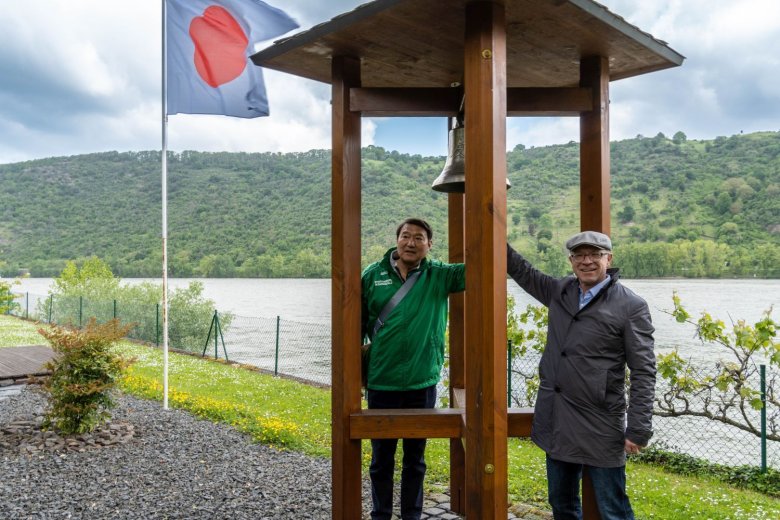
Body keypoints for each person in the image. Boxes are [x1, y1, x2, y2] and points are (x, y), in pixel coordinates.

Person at [506, 230, 655, 520]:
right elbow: (522, 271)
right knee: (561, 504)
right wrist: (493, 228)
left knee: (613, 509)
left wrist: (639, 428)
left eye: (594, 255)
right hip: (557, 418)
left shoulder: (631, 306)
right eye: (579, 255)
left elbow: (644, 370)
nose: (586, 261)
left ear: (608, 259)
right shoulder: (559, 290)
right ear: (572, 261)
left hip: (601, 422)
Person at [361, 217, 465, 520]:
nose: (411, 242)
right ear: (397, 240)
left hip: (423, 382)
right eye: (405, 236)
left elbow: (482, 266)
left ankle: (412, 516)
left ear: (429, 244)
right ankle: (380, 514)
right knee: (381, 459)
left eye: (419, 237)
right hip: (382, 382)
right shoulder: (372, 275)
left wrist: (488, 218)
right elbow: (353, 325)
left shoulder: (440, 275)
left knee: (415, 460)